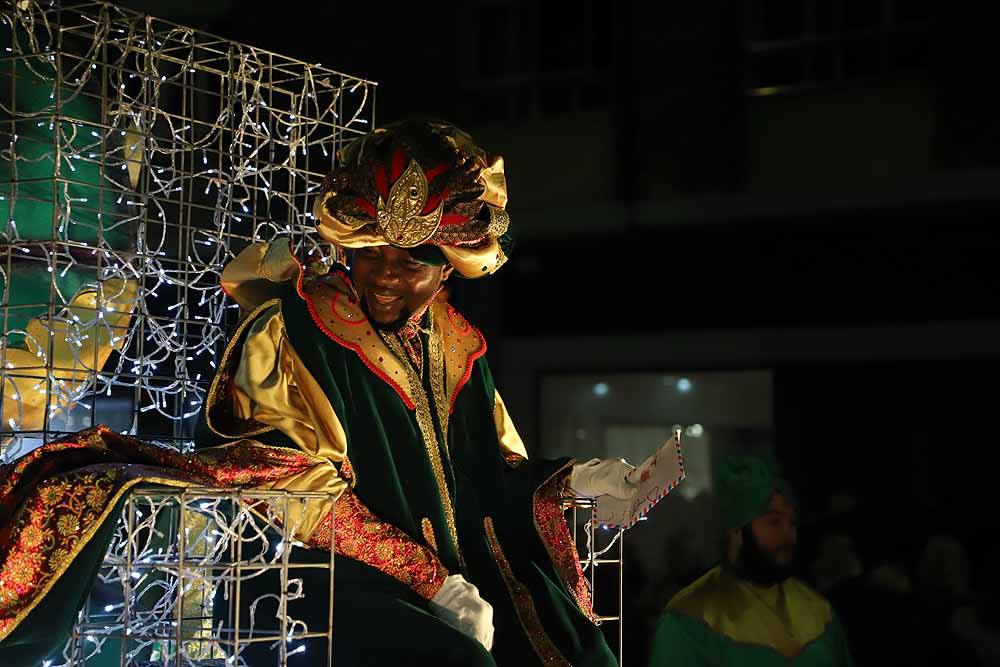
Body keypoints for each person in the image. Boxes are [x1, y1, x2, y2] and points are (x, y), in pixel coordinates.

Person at [0, 119, 635, 666]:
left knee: (570, 645)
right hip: (311, 581)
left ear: (448, 268)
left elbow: (490, 475)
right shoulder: (292, 328)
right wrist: (431, 582)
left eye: (411, 261)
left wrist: (577, 479)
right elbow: (295, 488)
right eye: (369, 255)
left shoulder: (459, 346)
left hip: (464, 570)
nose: (385, 277)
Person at [647, 454, 853, 666]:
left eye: (792, 523)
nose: (789, 536)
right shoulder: (690, 617)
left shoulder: (819, 612)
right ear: (737, 528)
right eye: (774, 522)